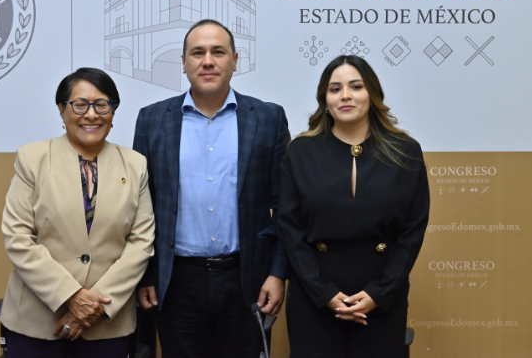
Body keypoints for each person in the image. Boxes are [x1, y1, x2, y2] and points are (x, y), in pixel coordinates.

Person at [133, 19, 290, 358]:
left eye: (218, 52)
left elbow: (286, 207)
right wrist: (145, 275)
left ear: (235, 60)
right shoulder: (152, 120)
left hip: (246, 279)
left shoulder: (268, 119)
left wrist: (278, 274)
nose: (208, 61)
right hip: (175, 282)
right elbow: (140, 208)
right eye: (197, 53)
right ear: (183, 62)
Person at [278, 55, 430, 358]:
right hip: (314, 296)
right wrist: (324, 293)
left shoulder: (406, 152)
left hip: (383, 297)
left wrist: (379, 293)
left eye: (356, 87)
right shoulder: (300, 151)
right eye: (335, 89)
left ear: (372, 95)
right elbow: (290, 229)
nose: (345, 95)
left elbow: (412, 231)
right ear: (325, 100)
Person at [0, 68, 155, 358]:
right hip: (37, 319)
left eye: (102, 105)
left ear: (113, 111)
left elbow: (141, 243)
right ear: (61, 110)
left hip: (107, 322)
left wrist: (96, 305)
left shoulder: (135, 165)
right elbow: (17, 237)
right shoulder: (33, 158)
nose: (91, 114)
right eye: (80, 105)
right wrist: (70, 295)